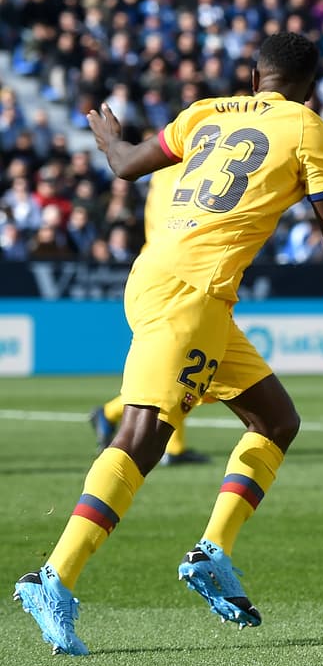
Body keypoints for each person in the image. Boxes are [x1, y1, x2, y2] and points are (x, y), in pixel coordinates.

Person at [14, 32, 323, 656]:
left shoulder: (206, 111)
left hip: (164, 278)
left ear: (255, 75)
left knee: (276, 420)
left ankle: (213, 554)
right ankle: (53, 577)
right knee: (142, 436)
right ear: (311, 86)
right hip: (192, 293)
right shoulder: (308, 128)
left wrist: (105, 133)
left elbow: (123, 165)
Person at [88, 160, 211, 465]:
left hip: (161, 269)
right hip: (177, 273)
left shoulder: (164, 169)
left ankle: (167, 444)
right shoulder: (189, 168)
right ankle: (116, 417)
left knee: (185, 366)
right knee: (199, 367)